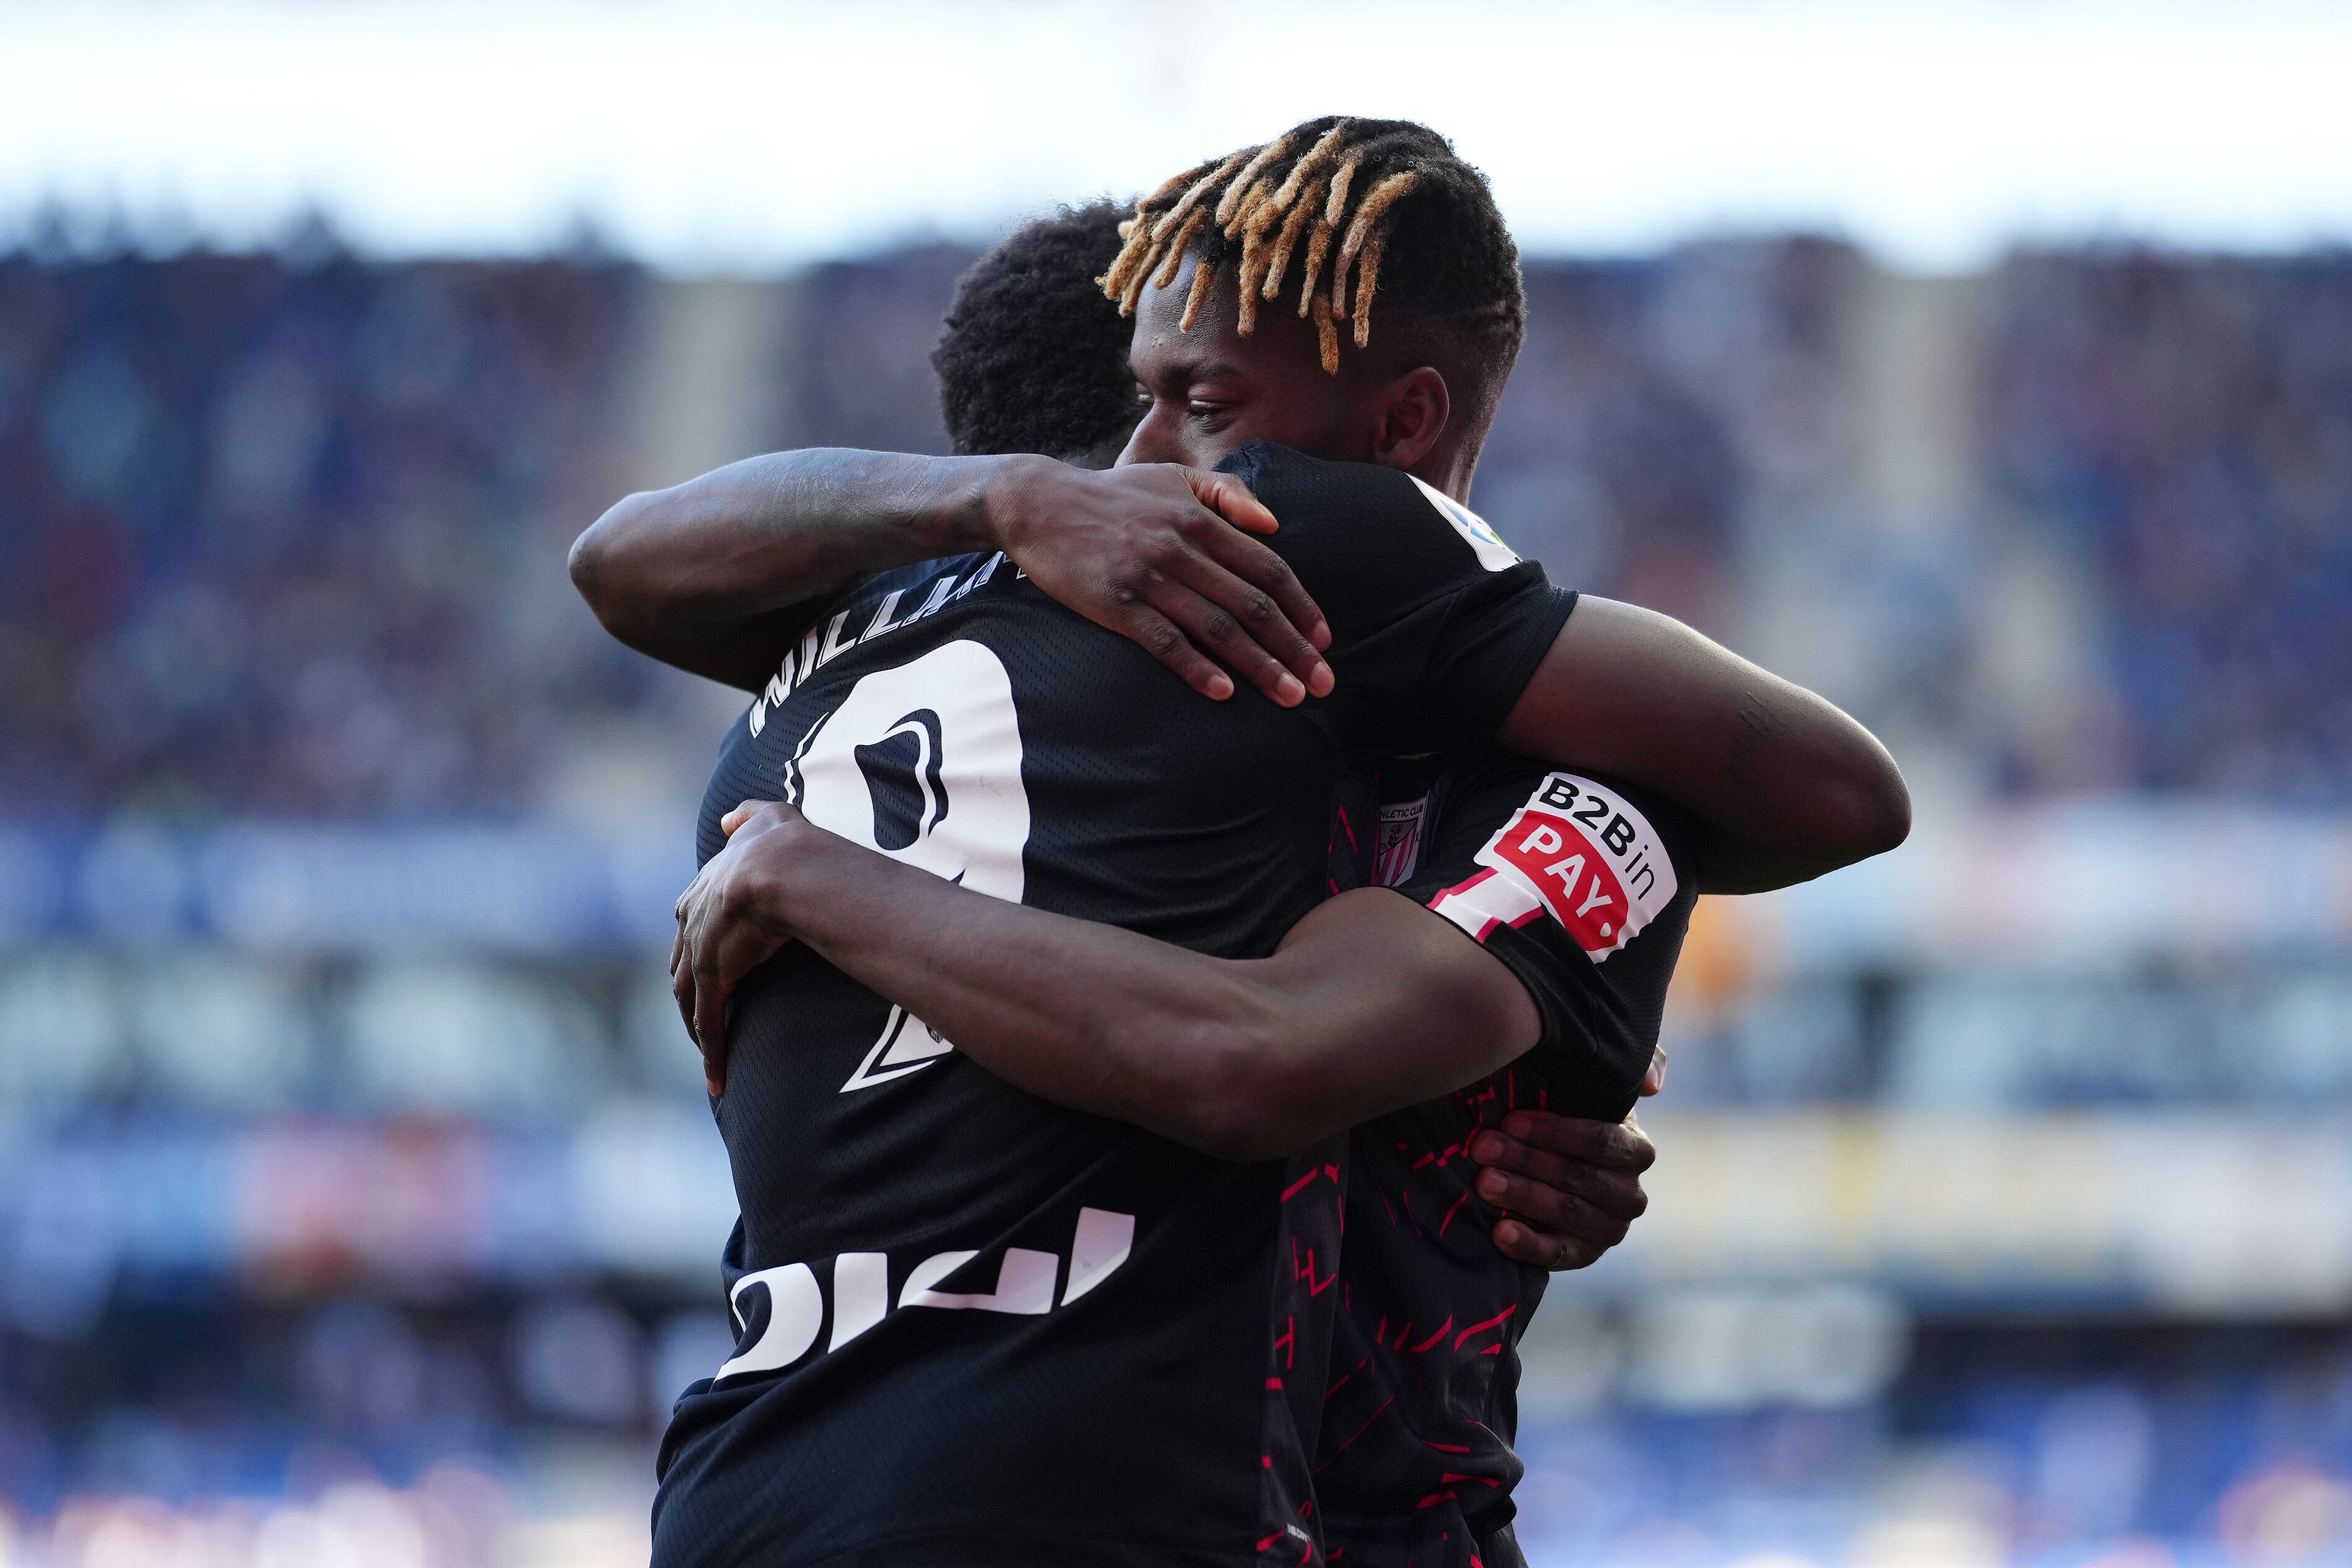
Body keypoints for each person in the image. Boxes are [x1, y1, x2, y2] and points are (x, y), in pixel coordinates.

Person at [574, 120, 1907, 1567]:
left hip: (743, 1485)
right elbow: (1257, 1056)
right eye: (1140, 424)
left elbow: (620, 561)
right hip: (1148, 1500)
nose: (1158, 470)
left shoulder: (825, 684)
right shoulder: (1521, 741)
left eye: (1196, 408)